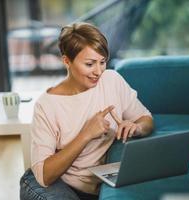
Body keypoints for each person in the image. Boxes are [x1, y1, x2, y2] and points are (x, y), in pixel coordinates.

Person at [20, 22, 154, 200]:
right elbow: (44, 176)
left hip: (98, 184)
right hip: (57, 183)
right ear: (66, 60)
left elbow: (146, 118)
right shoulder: (47, 105)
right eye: (90, 64)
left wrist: (136, 128)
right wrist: (86, 134)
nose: (98, 71)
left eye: (102, 62)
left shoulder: (111, 81)